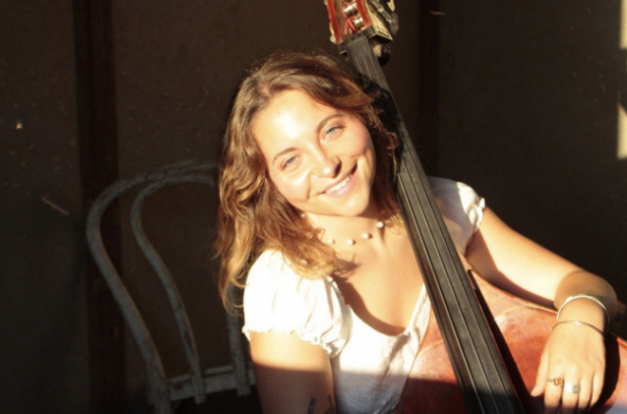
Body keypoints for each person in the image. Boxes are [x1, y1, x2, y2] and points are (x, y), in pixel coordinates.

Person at [214, 51, 618, 414]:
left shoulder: (441, 207)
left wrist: (579, 322)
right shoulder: (289, 285)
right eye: (290, 160)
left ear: (362, 115)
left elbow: (580, 283)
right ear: (267, 182)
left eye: (332, 130)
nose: (326, 165)